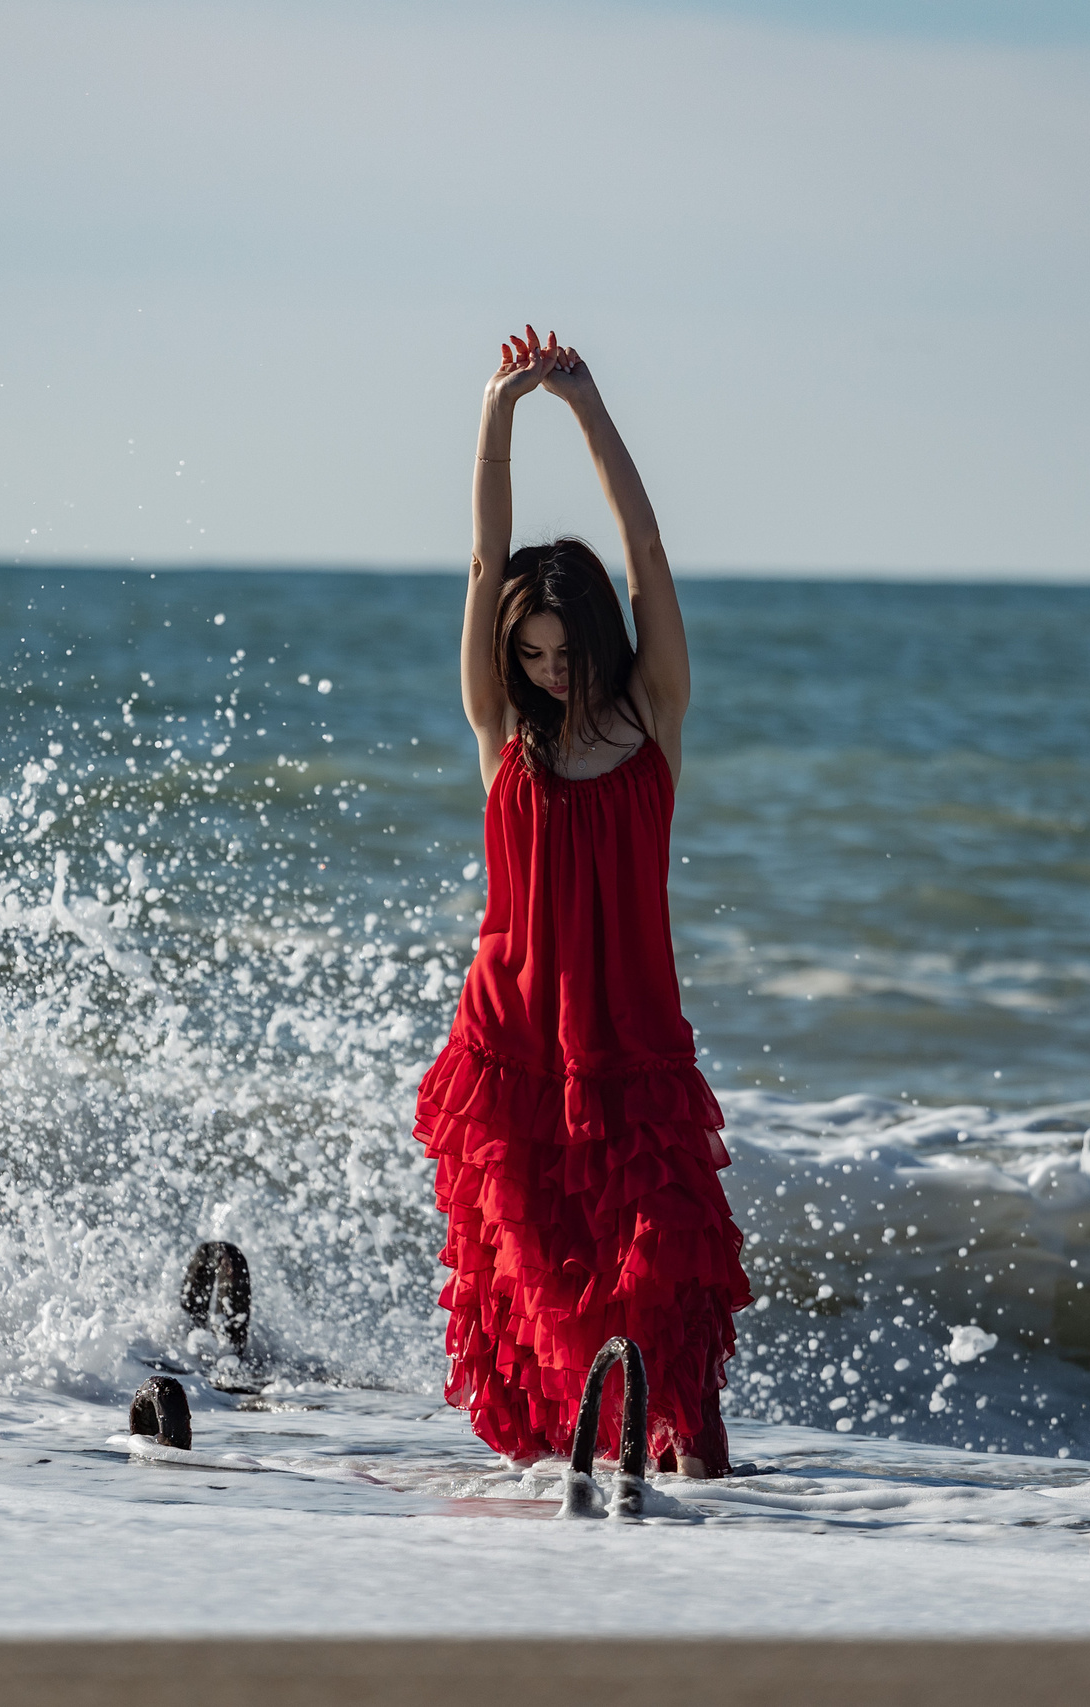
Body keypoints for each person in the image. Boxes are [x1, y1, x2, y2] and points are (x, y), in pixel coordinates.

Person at [414, 326, 751, 1478]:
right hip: (512, 1045)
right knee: (546, 1292)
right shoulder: (501, 734)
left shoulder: (654, 715)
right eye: (534, 651)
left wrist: (586, 406)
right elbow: (479, 558)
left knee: (666, 1283)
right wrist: (497, 414)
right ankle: (584, 1522)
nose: (552, 668)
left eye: (566, 646)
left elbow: (646, 548)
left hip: (633, 1048)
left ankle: (694, 1494)